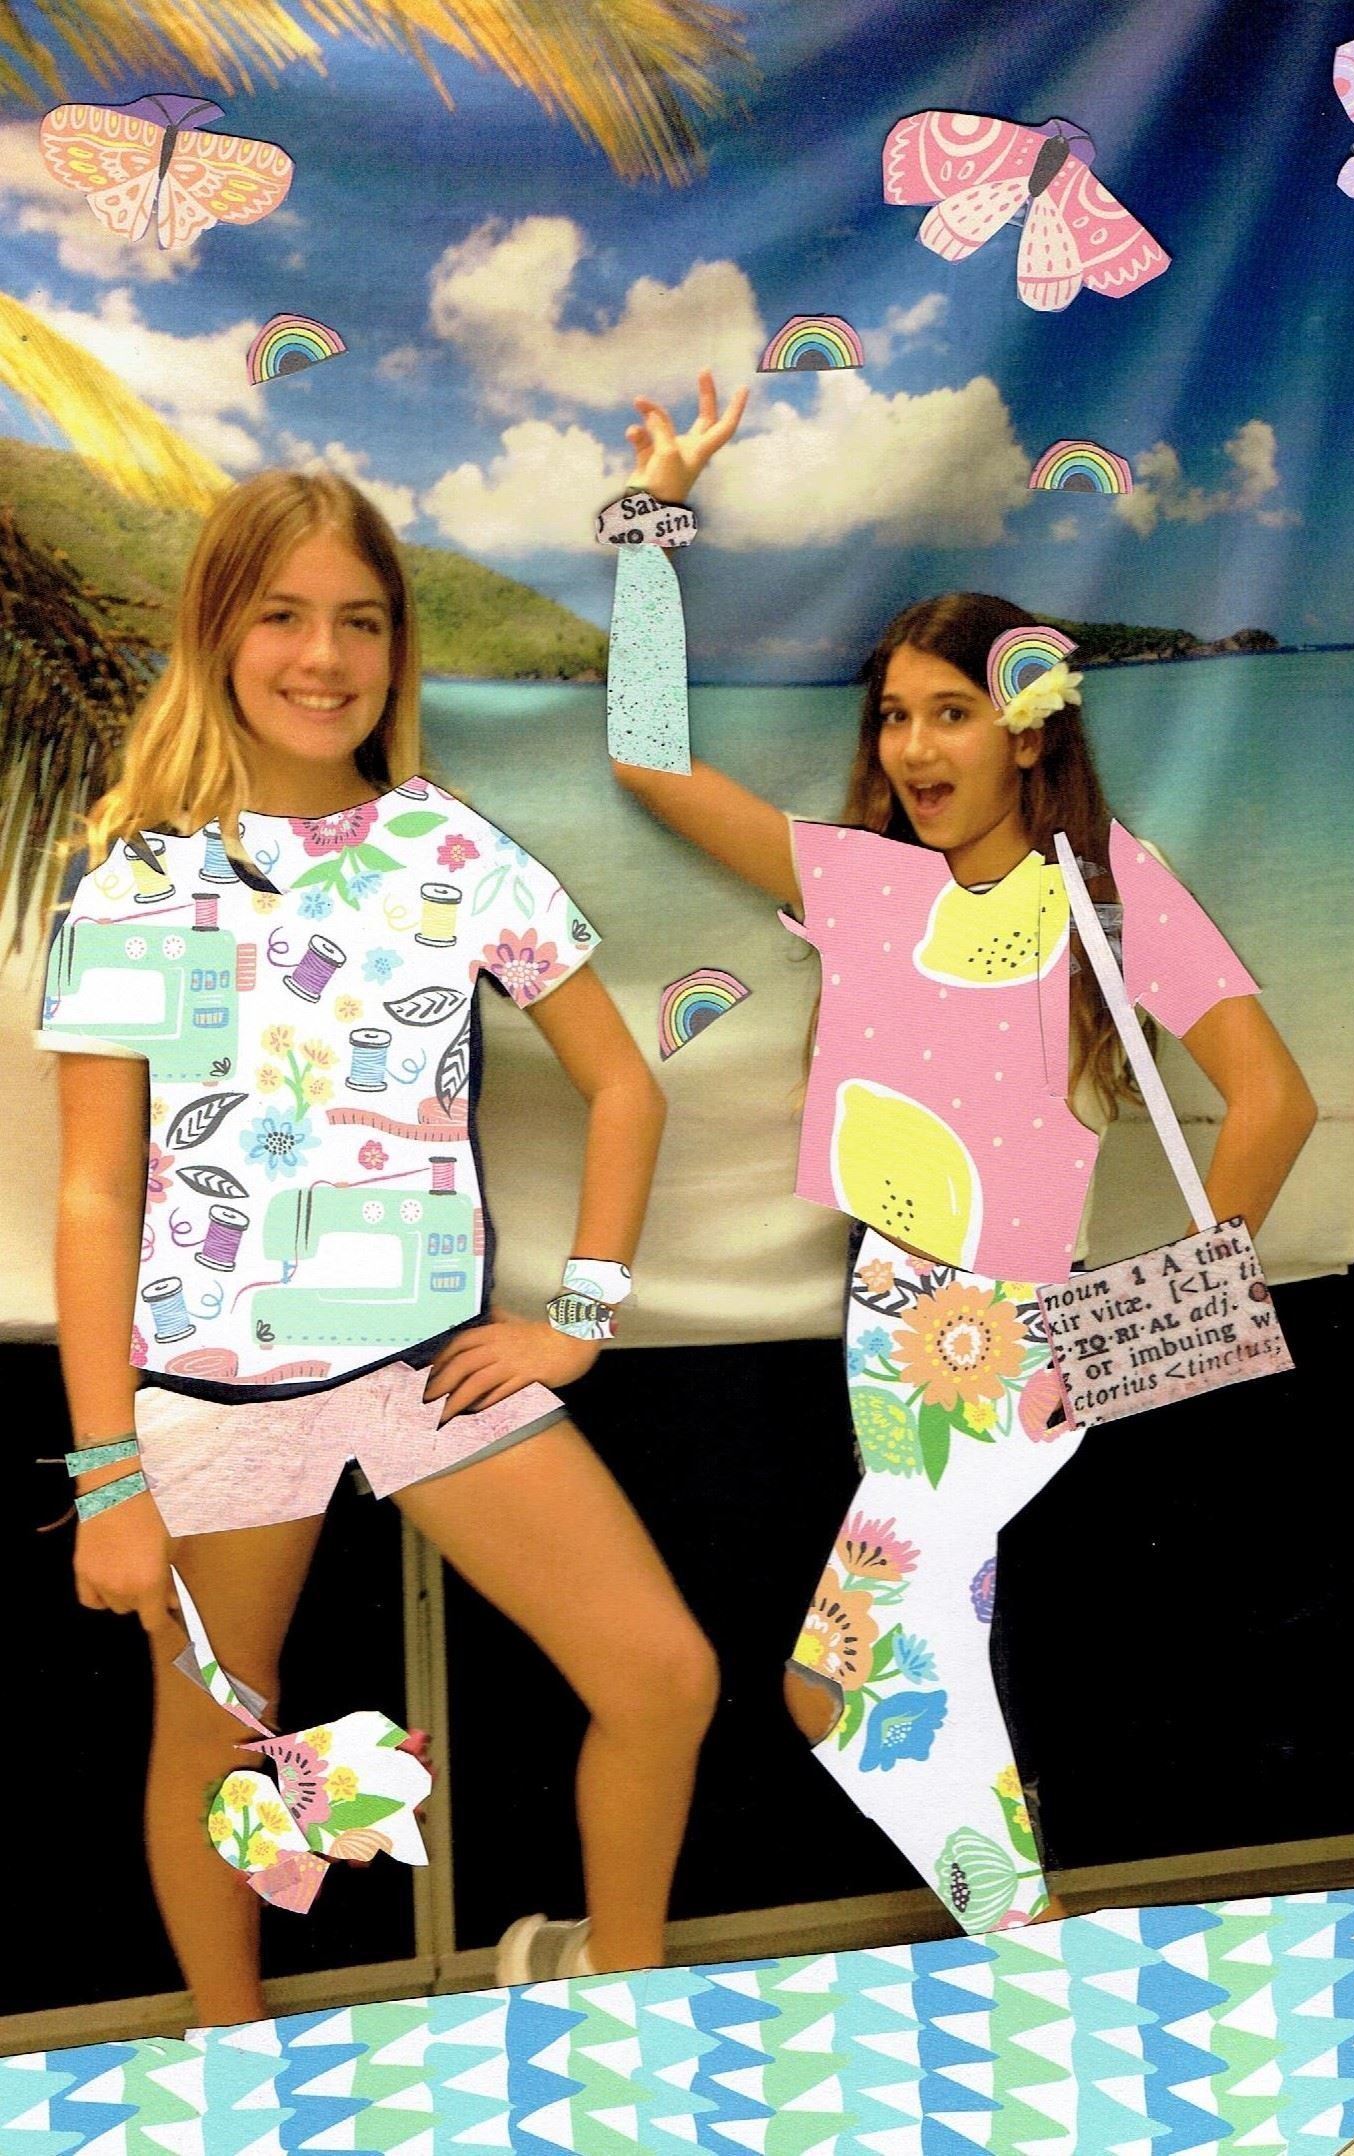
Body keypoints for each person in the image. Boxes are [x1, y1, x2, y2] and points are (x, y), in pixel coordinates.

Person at [607, 372, 1318, 1933]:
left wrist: (1156, 1312)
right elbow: (650, 766)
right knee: (932, 1658)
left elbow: (1270, 1099)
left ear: (1023, 729)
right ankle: (1030, 1955)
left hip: (1014, 1334)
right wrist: (650, 529)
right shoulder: (863, 885)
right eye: (894, 715)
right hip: (887, 1314)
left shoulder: (1103, 884)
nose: (918, 745)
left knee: (832, 1678)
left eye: (953, 711)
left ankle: (1026, 1946)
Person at [37, 469, 720, 2025]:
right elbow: (96, 1195)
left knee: (662, 1676)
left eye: (359, 621)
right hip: (213, 1392)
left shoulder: (446, 850)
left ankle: (622, 2002)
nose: (323, 655)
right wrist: (106, 1476)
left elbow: (626, 1088)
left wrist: (578, 1319)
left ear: (398, 649)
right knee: (217, 1742)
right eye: (282, 615)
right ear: (218, 631)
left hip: (426, 1365)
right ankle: (230, 2057)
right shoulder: (143, 876)